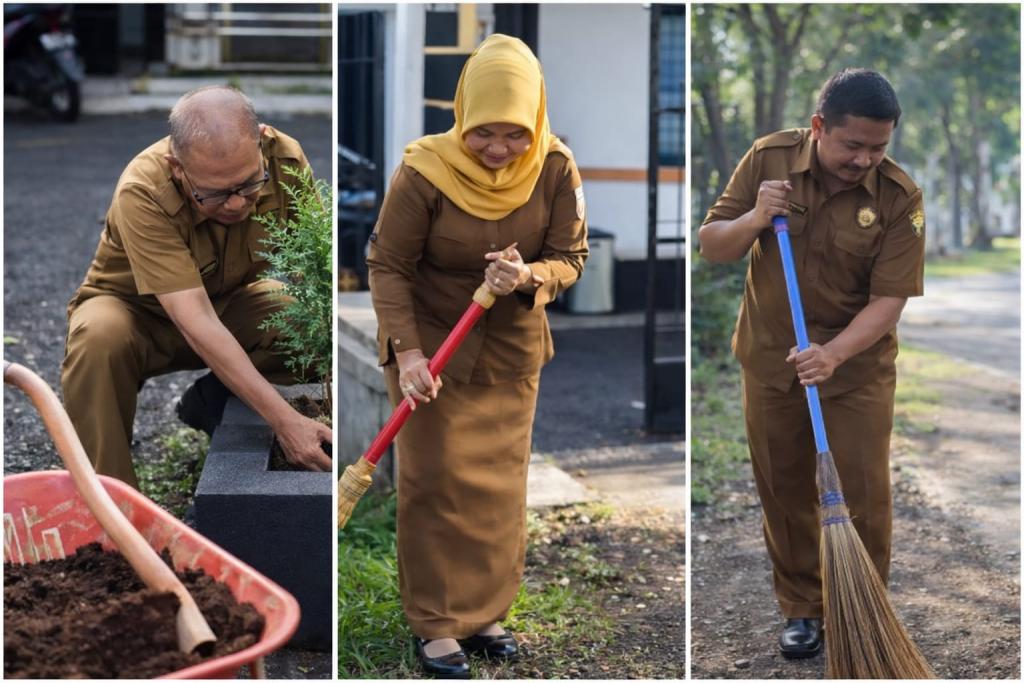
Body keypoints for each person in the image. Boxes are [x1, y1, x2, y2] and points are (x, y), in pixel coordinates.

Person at [366, 34, 588, 678]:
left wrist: (528, 277)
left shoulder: (554, 166)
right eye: (484, 132)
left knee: (497, 488)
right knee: (435, 484)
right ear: (461, 113)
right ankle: (436, 622)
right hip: (432, 351)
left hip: (511, 352)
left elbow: (571, 258)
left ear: (535, 121)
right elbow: (387, 264)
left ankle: (486, 613)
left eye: (515, 133)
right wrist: (409, 354)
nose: (498, 148)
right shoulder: (423, 170)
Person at [698, 69, 925, 659]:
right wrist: (754, 218)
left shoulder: (899, 196)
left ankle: (862, 609)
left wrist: (833, 354)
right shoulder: (769, 159)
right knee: (784, 487)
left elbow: (889, 300)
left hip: (855, 370)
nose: (865, 160)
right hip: (771, 359)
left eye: (878, 147)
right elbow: (713, 245)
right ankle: (802, 608)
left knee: (863, 494)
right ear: (819, 126)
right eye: (853, 145)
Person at [62, 85, 332, 488]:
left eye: (248, 185)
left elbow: (316, 272)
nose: (236, 204)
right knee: (97, 340)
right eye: (215, 194)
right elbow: (194, 317)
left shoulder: (285, 159)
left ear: (260, 140)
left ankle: (212, 403)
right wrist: (285, 421)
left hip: (227, 305)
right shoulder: (143, 190)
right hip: (138, 315)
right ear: (177, 167)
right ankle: (112, 501)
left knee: (297, 318)